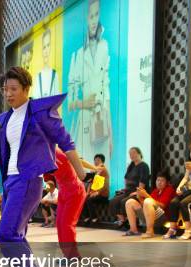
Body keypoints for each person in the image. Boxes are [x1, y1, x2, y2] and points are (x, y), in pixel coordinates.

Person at [0, 66, 85, 267]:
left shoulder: (39, 113)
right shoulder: (9, 118)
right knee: (17, 235)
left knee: (6, 234)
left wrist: (80, 171)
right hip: (11, 182)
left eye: (14, 89)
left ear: (26, 89)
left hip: (29, 180)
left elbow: (65, 140)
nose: (9, 94)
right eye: (6, 90)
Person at [67, 0, 113, 169]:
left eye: (96, 15)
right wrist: (84, 103)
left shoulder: (104, 47)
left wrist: (111, 134)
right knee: (83, 170)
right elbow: (70, 103)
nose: (93, 20)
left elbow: (106, 91)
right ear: (86, 18)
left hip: (101, 122)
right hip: (85, 124)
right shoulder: (78, 55)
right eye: (91, 15)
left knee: (102, 171)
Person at [124, 171, 175, 238]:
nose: (159, 182)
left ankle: (150, 231)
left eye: (162, 180)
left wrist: (146, 195)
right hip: (151, 217)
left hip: (163, 218)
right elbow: (145, 206)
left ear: (167, 182)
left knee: (148, 201)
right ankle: (133, 229)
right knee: (130, 202)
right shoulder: (155, 191)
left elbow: (162, 206)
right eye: (158, 180)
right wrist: (140, 197)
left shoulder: (169, 190)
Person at [108, 147, 150, 229]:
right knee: (113, 201)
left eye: (134, 153)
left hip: (138, 191)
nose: (132, 155)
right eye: (130, 154)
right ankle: (123, 220)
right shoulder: (131, 165)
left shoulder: (144, 166)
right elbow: (126, 178)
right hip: (128, 191)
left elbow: (143, 181)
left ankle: (131, 222)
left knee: (124, 201)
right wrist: (124, 189)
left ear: (139, 153)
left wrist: (137, 192)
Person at [81, 153, 110, 224]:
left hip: (103, 194)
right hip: (94, 192)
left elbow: (105, 184)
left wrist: (97, 192)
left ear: (102, 161)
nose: (96, 162)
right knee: (83, 198)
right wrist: (88, 193)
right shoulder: (95, 171)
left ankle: (94, 217)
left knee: (89, 199)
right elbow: (91, 184)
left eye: (98, 160)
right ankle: (87, 217)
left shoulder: (104, 170)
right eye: (95, 160)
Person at [32, 28, 60, 99]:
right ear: (41, 50)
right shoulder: (38, 77)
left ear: (51, 47)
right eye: (44, 47)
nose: (46, 50)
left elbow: (58, 100)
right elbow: (35, 101)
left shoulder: (55, 74)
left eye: (48, 45)